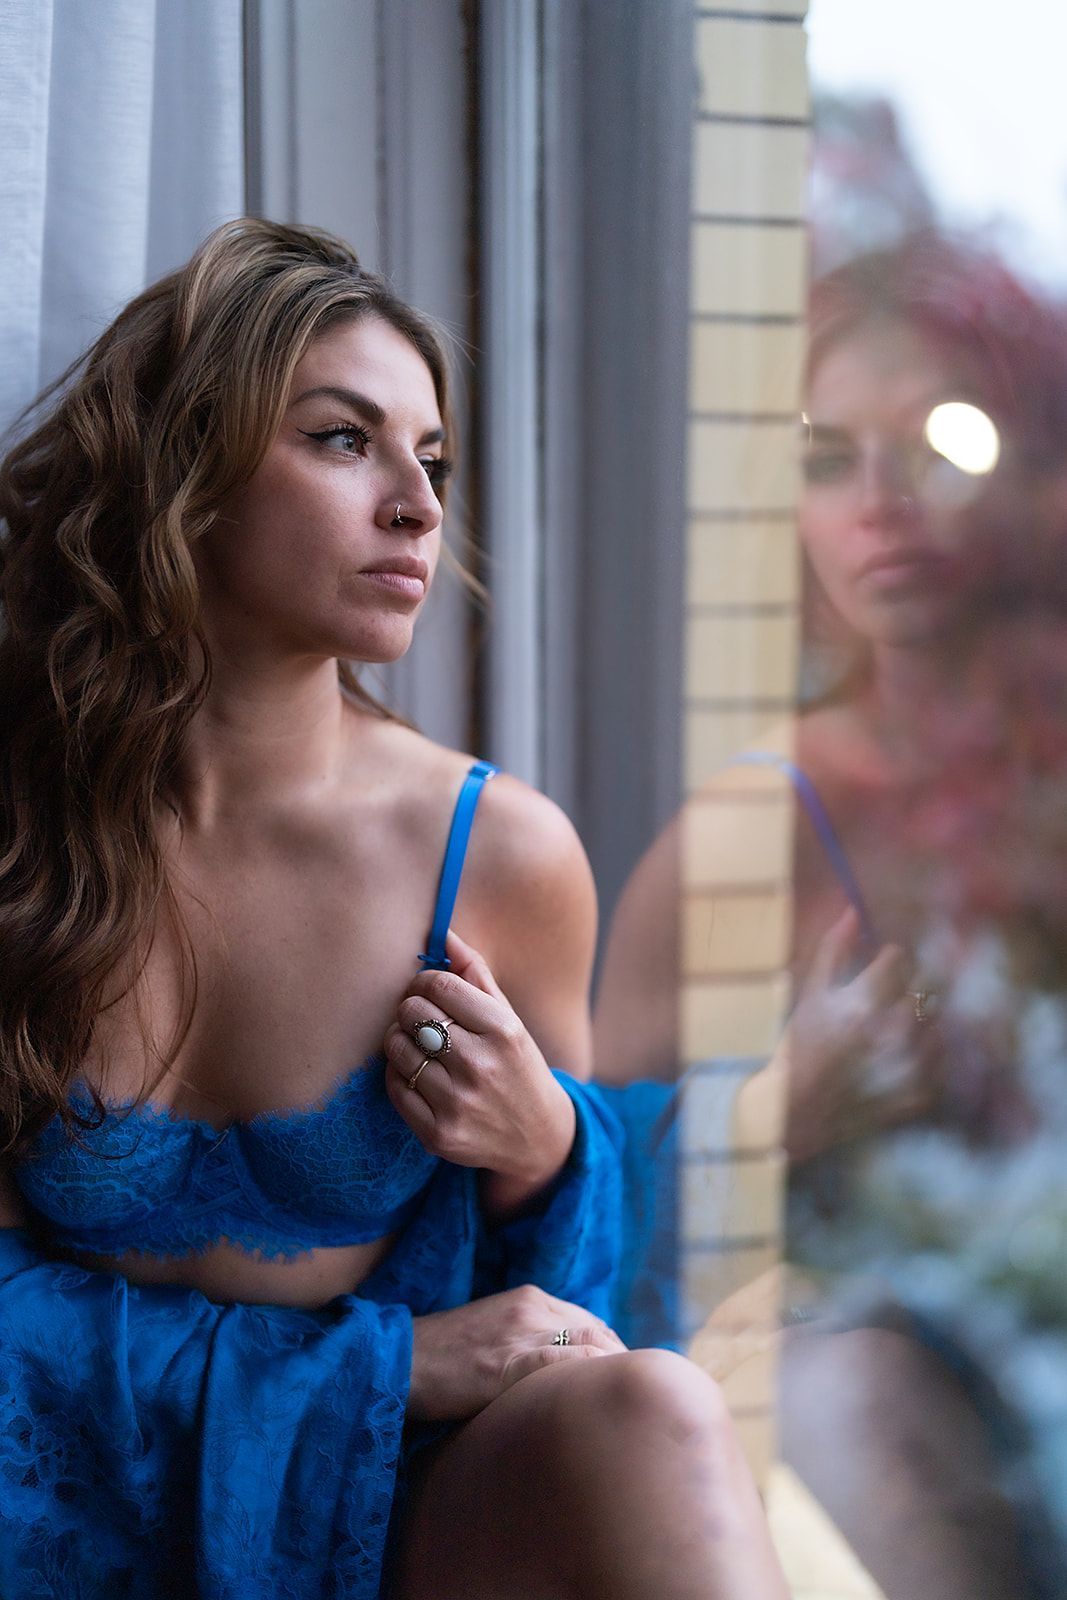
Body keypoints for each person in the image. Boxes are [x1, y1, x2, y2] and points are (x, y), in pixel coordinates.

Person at [0, 218, 789, 1599]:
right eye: (344, 440)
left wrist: (548, 1151)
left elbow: (564, 1325)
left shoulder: (497, 858)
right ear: (183, 468)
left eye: (433, 460)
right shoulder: (23, 835)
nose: (420, 508)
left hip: (379, 1524)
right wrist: (384, 1367)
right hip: (53, 1523)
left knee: (654, 1413)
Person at [595, 237, 1067, 1596]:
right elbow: (548, 1205)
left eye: (944, 444)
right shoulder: (764, 822)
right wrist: (781, 1105)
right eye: (824, 455)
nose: (879, 502)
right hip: (899, 1412)